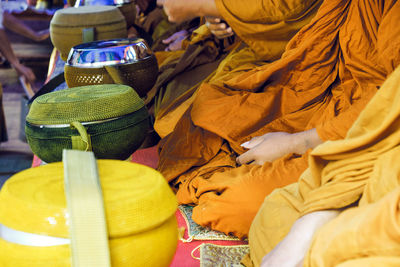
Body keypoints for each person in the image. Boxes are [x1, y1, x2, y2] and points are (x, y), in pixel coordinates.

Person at [155, 0, 400, 239]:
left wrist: (298, 142)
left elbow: (389, 104)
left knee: (236, 204)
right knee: (203, 118)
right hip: (324, 87)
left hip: (374, 127)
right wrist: (212, 16)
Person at [246, 53, 400, 266]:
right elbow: (380, 125)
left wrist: (297, 143)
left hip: (384, 226)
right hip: (352, 127)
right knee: (273, 210)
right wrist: (317, 216)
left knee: (241, 199)